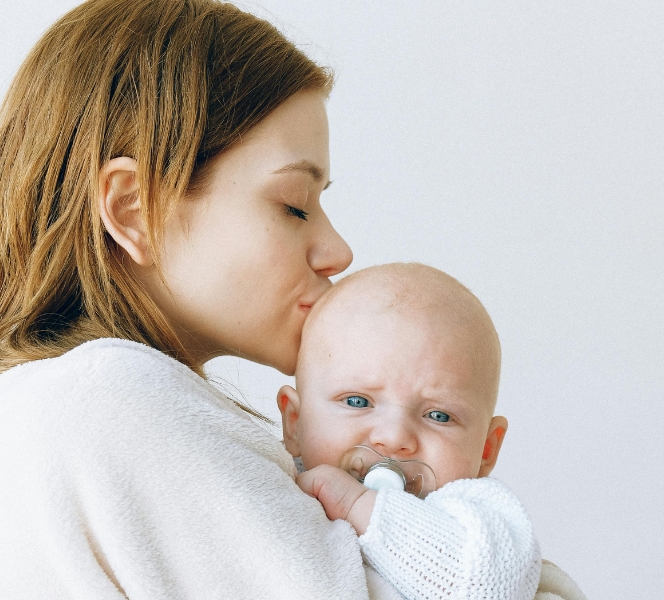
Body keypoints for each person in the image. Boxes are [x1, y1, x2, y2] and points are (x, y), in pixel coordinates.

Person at [0, 0, 383, 597]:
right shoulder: (111, 401)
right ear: (135, 210)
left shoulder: (41, 404)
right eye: (293, 205)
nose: (337, 251)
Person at [278, 263, 587, 600]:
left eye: (439, 415)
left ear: (485, 450)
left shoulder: (479, 519)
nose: (394, 438)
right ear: (295, 422)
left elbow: (483, 585)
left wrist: (355, 504)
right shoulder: (273, 485)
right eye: (357, 401)